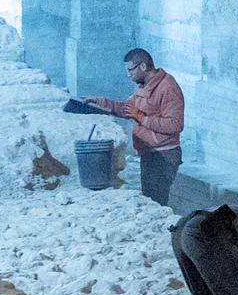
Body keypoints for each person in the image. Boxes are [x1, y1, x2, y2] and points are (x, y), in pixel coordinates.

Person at [78, 46, 188, 205]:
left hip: (164, 155)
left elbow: (175, 124)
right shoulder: (146, 86)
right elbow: (127, 109)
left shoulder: (167, 87)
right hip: (150, 153)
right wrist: (100, 102)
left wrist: (142, 118)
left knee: (156, 203)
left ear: (143, 66)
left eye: (130, 70)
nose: (128, 74)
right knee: (151, 201)